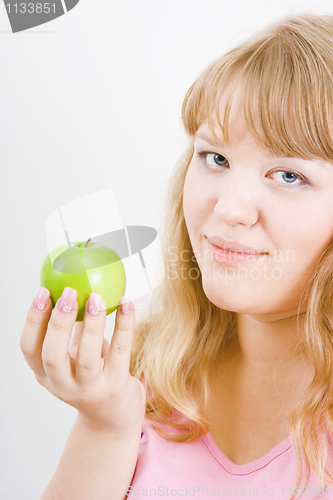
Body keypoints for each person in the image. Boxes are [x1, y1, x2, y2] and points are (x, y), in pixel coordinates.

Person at [20, 11, 333, 500]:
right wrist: (105, 427)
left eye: (288, 175)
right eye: (216, 159)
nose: (228, 208)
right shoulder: (147, 375)